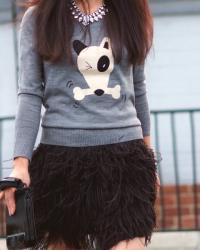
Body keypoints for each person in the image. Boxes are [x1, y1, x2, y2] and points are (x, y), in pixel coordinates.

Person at [0, 0, 161, 249]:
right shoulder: (39, 18)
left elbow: (138, 90)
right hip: (61, 164)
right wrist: (20, 165)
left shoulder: (130, 13)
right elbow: (30, 93)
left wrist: (148, 159)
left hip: (125, 163)